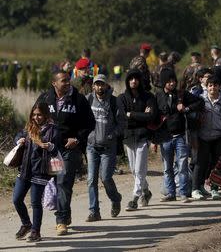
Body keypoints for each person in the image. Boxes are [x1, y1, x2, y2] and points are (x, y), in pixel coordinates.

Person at [36, 70, 95, 236]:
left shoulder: (78, 99)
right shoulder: (45, 99)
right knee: (54, 182)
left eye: (68, 80)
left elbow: (90, 122)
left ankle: (61, 220)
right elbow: (34, 118)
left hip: (69, 149)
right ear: (54, 83)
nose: (68, 83)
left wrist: (77, 138)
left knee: (64, 183)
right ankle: (65, 213)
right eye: (63, 81)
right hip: (50, 149)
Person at [156, 68, 204, 202]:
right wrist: (154, 137)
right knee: (167, 167)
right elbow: (154, 116)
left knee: (182, 165)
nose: (172, 83)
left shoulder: (181, 94)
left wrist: (186, 109)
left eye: (173, 81)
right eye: (169, 81)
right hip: (165, 137)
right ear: (164, 82)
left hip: (180, 136)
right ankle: (170, 193)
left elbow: (200, 102)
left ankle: (183, 193)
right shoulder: (158, 96)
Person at [12, 102, 59, 242]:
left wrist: (49, 146)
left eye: (39, 114)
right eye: (34, 114)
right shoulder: (29, 128)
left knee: (35, 202)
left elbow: (56, 149)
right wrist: (18, 140)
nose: (36, 117)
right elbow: (18, 136)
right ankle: (26, 224)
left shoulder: (52, 130)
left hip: (41, 170)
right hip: (25, 169)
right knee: (16, 199)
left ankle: (35, 231)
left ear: (45, 115)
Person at [85, 74, 126, 221]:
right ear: (93, 86)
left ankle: (115, 199)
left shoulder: (114, 102)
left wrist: (112, 135)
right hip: (91, 146)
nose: (99, 87)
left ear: (106, 86)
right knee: (91, 179)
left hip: (108, 147)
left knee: (106, 178)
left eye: (102, 84)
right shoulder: (88, 99)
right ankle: (94, 211)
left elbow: (122, 123)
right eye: (97, 84)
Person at [118, 69, 158, 211]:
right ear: (127, 81)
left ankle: (134, 198)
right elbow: (122, 117)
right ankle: (146, 192)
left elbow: (151, 116)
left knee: (139, 169)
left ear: (140, 81)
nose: (133, 81)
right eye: (131, 79)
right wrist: (141, 115)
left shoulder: (148, 97)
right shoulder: (122, 98)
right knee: (134, 170)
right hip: (129, 138)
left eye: (136, 78)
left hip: (143, 136)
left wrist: (132, 114)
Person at [192, 76, 221, 200]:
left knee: (217, 165)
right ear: (207, 87)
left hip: (218, 137)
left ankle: (214, 189)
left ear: (219, 87)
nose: (212, 88)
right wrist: (194, 138)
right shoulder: (200, 100)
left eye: (215, 85)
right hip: (202, 137)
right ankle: (195, 189)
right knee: (200, 163)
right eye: (210, 85)